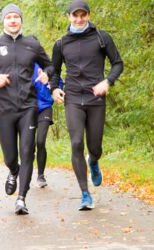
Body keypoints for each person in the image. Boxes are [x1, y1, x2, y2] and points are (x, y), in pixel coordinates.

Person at [0, 3, 53, 215]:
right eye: (9, 18)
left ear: (21, 21)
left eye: (16, 17)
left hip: (28, 107)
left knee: (27, 152)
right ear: (4, 21)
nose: (13, 20)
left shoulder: (31, 44)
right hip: (3, 109)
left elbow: (50, 64)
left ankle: (21, 198)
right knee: (10, 156)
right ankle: (13, 171)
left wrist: (47, 74)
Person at [50, 0, 123, 210]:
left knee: (94, 146)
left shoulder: (101, 37)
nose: (79, 19)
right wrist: (54, 89)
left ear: (89, 16)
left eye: (83, 15)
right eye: (75, 15)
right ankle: (85, 193)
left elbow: (118, 63)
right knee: (76, 143)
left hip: (96, 99)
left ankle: (93, 160)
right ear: (69, 17)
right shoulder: (61, 43)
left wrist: (107, 81)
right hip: (73, 98)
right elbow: (54, 71)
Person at [32, 63, 63, 188]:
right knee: (28, 145)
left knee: (40, 141)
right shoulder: (23, 64)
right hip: (28, 109)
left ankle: (40, 175)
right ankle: (27, 167)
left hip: (45, 108)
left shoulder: (47, 66)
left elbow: (58, 83)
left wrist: (48, 84)